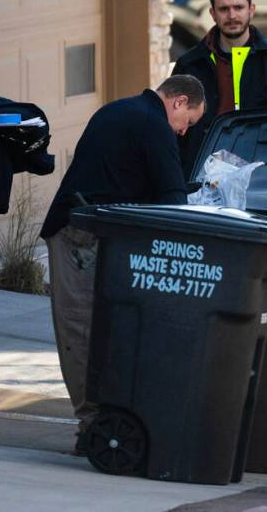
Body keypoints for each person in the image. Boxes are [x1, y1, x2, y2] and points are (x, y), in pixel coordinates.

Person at [40, 74, 205, 453]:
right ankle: (93, 426)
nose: (183, 132)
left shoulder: (118, 110)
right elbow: (173, 201)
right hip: (79, 237)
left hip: (89, 234)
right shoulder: (154, 124)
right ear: (178, 102)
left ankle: (97, 421)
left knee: (92, 333)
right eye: (188, 122)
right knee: (83, 332)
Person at [172, 0, 267, 177]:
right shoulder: (190, 64)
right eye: (223, 9)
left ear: (251, 10)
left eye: (238, 7)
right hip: (200, 171)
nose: (232, 15)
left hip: (261, 171)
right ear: (212, 13)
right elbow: (174, 126)